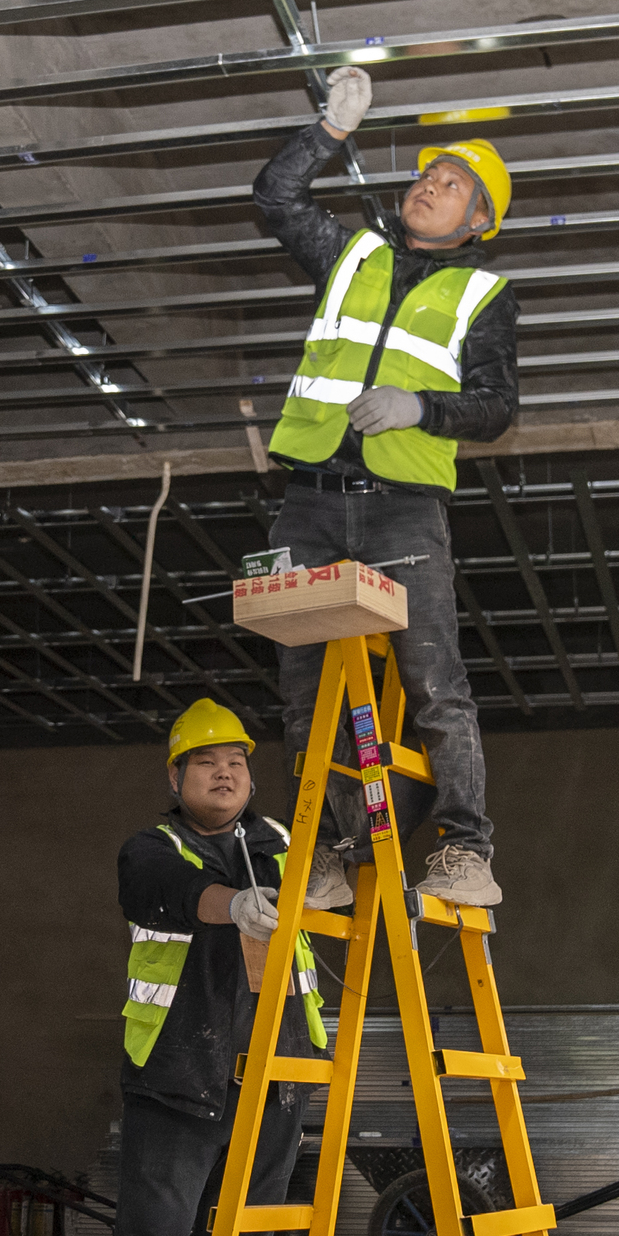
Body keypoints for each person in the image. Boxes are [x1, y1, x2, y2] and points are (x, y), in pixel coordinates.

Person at [252, 66, 519, 913]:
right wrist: (328, 134)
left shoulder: (483, 294)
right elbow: (275, 197)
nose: (428, 187)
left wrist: (420, 406)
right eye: (426, 175)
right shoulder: (353, 254)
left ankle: (464, 848)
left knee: (435, 682)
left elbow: (496, 408)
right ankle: (335, 849)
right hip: (312, 498)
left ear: (479, 220)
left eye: (452, 187)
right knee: (304, 687)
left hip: (405, 507)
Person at [74, 699, 326, 1236]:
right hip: (178, 1077)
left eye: (239, 762)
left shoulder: (282, 841)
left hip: (274, 1076)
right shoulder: (152, 847)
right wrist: (233, 904)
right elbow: (176, 893)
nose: (226, 771)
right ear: (177, 775)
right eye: (208, 761)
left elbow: (326, 887)